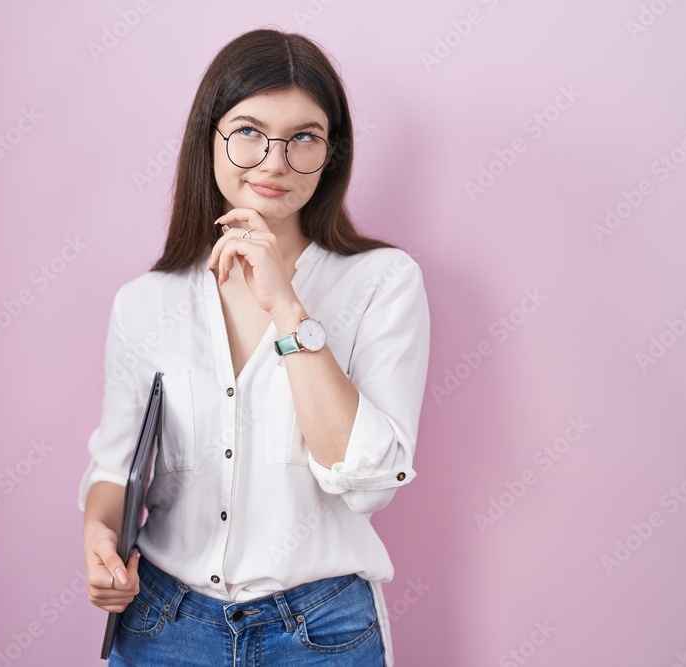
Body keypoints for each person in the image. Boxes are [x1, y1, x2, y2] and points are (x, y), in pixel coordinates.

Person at [79, 27, 430, 666]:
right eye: (248, 131)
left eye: (304, 138)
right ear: (207, 138)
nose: (274, 161)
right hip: (164, 626)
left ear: (331, 153)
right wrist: (98, 536)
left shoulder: (383, 282)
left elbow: (369, 482)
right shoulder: (145, 301)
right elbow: (115, 467)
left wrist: (287, 308)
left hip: (319, 634)